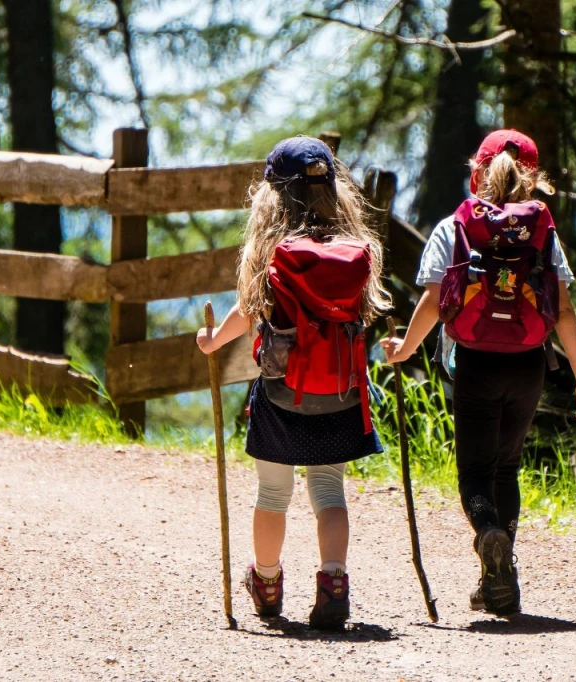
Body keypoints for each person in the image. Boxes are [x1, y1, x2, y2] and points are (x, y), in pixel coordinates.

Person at [381, 129, 576, 616]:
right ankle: (501, 579)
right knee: (507, 467)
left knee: (474, 473)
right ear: (534, 178)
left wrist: (404, 350)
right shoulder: (543, 233)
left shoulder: (455, 227)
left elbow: (436, 301)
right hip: (527, 364)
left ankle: (489, 535)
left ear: (477, 172)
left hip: (474, 362)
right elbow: (562, 310)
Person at [197, 136, 391, 629]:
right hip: (342, 396)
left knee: (272, 493)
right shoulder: (357, 250)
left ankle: (265, 581)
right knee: (329, 491)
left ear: (273, 194)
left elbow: (250, 311)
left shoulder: (273, 251)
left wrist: (213, 341)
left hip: (284, 395)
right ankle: (334, 581)